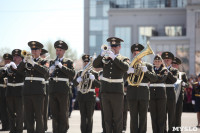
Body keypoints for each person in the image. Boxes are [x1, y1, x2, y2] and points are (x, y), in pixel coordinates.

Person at [93, 37, 129, 133]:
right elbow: (95, 65)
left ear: (120, 47)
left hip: (117, 92)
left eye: (115, 46)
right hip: (105, 91)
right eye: (112, 46)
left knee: (117, 118)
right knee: (107, 118)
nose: (113, 47)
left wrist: (114, 57)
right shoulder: (105, 58)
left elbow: (125, 68)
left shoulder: (124, 59)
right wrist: (101, 55)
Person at [18, 41, 48, 133]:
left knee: (39, 116)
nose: (33, 51)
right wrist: (24, 61)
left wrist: (34, 64)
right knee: (29, 116)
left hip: (38, 91)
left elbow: (45, 72)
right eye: (32, 49)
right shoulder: (27, 60)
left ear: (40, 51)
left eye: (35, 50)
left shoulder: (44, 61)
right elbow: (19, 71)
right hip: (27, 91)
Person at [127, 43, 157, 133]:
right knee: (133, 117)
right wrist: (128, 71)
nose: (136, 55)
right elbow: (122, 77)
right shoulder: (128, 65)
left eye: (138, 53)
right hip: (132, 93)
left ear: (142, 54)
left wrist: (146, 71)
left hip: (143, 93)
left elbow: (154, 78)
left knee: (143, 117)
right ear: (133, 54)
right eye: (135, 53)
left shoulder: (148, 65)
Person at [49, 40, 75, 133]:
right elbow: (47, 76)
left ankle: (63, 130)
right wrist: (49, 72)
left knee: (63, 113)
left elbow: (72, 74)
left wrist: (61, 66)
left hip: (63, 90)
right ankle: (55, 130)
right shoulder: (52, 61)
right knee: (54, 113)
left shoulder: (68, 62)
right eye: (57, 50)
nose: (58, 52)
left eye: (60, 50)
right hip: (53, 90)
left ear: (64, 51)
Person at [73, 54, 100, 133]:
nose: (86, 63)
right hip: (82, 96)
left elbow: (98, 85)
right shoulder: (80, 73)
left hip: (90, 97)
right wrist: (77, 80)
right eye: (85, 62)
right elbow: (74, 84)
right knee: (83, 117)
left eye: (88, 62)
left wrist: (94, 79)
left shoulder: (94, 73)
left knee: (90, 116)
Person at [5, 49, 24, 133]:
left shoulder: (23, 66)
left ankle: (19, 130)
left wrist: (15, 69)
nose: (15, 58)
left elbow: (23, 75)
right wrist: (5, 69)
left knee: (20, 113)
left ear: (21, 58)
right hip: (9, 92)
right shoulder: (9, 66)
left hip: (19, 92)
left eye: (17, 56)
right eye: (14, 56)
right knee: (11, 113)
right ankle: (12, 130)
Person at [149, 54, 168, 133]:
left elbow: (161, 79)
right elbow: (151, 78)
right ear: (153, 62)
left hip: (161, 95)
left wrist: (153, 77)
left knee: (161, 116)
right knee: (153, 116)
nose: (157, 62)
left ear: (161, 62)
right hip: (152, 95)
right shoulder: (151, 69)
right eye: (155, 61)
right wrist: (155, 77)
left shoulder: (164, 70)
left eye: (158, 61)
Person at [161, 52, 178, 133]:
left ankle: (171, 131)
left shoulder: (174, 70)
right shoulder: (160, 69)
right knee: (163, 115)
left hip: (171, 93)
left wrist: (167, 72)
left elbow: (174, 80)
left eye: (168, 60)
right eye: (165, 59)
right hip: (162, 92)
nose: (166, 61)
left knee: (171, 115)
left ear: (171, 61)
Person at [172, 57, 188, 132]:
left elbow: (187, 84)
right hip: (170, 97)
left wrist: (184, 83)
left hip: (179, 97)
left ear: (178, 65)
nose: (174, 65)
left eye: (175, 64)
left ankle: (177, 131)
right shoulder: (169, 73)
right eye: (173, 64)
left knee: (178, 115)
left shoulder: (182, 74)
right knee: (171, 116)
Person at [0, 53, 12, 131]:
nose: (7, 62)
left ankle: (11, 126)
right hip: (2, 90)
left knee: (10, 109)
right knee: (2, 109)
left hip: (10, 90)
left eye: (8, 60)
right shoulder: (1, 69)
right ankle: (4, 126)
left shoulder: (13, 68)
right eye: (5, 60)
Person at [40, 48, 49, 131]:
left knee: (44, 108)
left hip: (45, 85)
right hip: (37, 87)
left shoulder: (46, 64)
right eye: (41, 55)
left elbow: (47, 74)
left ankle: (44, 126)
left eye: (43, 55)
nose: (42, 56)